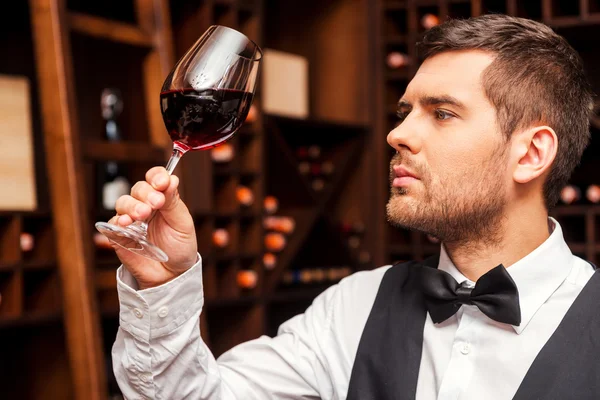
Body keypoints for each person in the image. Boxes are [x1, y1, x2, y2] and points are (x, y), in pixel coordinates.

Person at [110, 14, 597, 400]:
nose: (397, 134)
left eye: (443, 113)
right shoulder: (353, 307)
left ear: (531, 154)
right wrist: (163, 284)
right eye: (406, 112)